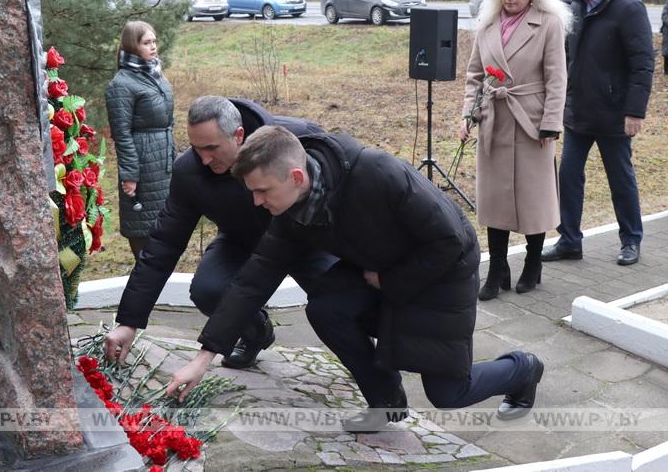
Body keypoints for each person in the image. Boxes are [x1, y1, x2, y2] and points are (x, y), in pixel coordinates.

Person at [163, 127, 547, 433]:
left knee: (449, 393)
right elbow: (253, 280)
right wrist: (203, 358)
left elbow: (453, 241)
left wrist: (390, 281)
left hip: (439, 273)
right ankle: (387, 403)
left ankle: (523, 369)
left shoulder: (377, 173)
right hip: (378, 269)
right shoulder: (293, 210)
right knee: (327, 308)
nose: (256, 203)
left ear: (297, 176)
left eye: (262, 191)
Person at [104, 96, 336, 370]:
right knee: (208, 290)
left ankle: (379, 375)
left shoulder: (299, 139)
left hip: (305, 241)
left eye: (212, 148)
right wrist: (129, 321)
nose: (204, 159)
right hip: (242, 239)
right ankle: (255, 333)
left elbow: (344, 188)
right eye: (196, 148)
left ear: (238, 135)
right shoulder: (189, 172)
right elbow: (163, 244)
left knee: (340, 302)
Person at [458, 0, 567, 299]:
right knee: (496, 199)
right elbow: (474, 75)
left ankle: (533, 263)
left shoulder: (548, 24)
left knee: (534, 199)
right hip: (494, 120)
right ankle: (497, 269)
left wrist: (551, 122)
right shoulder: (486, 25)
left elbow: (556, 78)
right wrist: (468, 115)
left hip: (532, 122)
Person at [542, 0, 654, 266]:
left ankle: (631, 240)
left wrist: (635, 111)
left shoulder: (628, 8)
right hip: (578, 111)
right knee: (568, 177)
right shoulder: (573, 6)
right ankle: (569, 240)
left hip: (615, 113)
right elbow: (565, 56)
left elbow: (643, 63)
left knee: (620, 179)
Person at [105, 21, 175, 260]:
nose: (153, 47)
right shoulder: (122, 85)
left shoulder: (154, 74)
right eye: (146, 43)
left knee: (163, 222)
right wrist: (130, 174)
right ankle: (145, 279)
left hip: (162, 160)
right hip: (142, 163)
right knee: (142, 226)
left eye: (154, 41)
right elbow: (121, 134)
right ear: (132, 46)